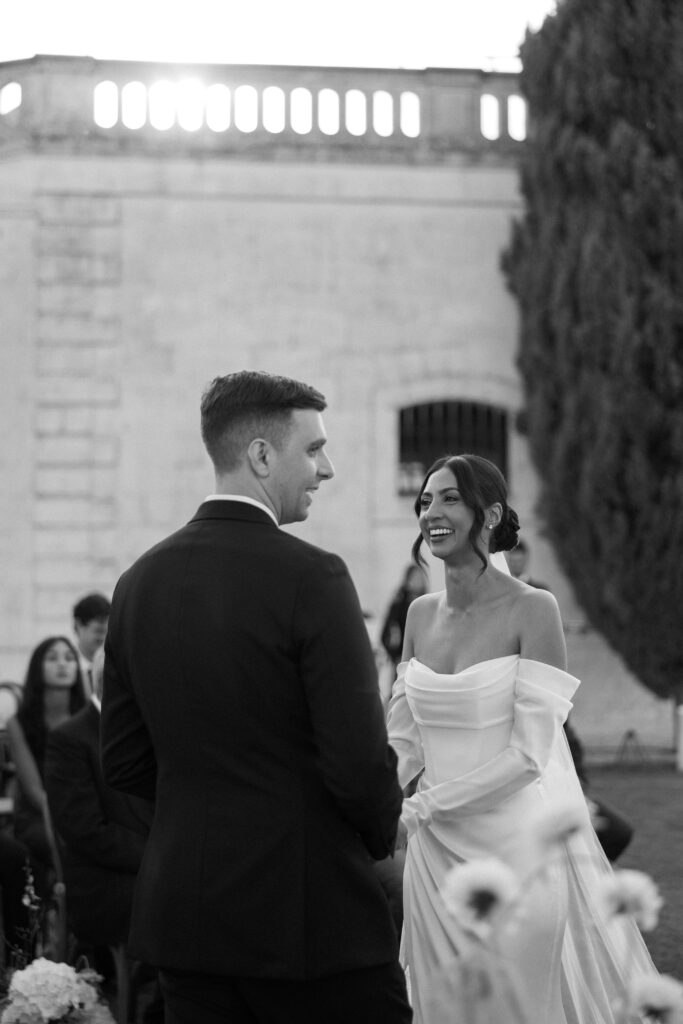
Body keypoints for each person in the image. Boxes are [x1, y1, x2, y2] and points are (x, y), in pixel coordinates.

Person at [101, 370, 411, 1024]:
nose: (325, 469)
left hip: (185, 918)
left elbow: (125, 764)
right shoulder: (314, 577)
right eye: (313, 449)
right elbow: (358, 765)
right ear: (261, 455)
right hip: (309, 920)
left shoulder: (136, 585)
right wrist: (385, 841)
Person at [387, 453, 655, 1024]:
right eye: (426, 499)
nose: (430, 511)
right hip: (432, 863)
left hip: (515, 856)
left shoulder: (535, 610)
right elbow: (401, 741)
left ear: (491, 515)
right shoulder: (416, 614)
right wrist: (378, 796)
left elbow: (530, 757)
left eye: (450, 498)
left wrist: (418, 808)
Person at [44, 647, 163, 1023]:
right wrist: (160, 857)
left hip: (156, 865)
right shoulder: (71, 738)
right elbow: (85, 830)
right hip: (107, 882)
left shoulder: (157, 729)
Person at [507, 539, 634, 862]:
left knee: (615, 833)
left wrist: (579, 788)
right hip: (522, 791)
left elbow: (566, 735)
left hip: (557, 778)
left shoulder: (540, 596)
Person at [7, 637, 86, 892]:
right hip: (40, 814)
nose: (63, 665)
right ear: (37, 668)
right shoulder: (19, 723)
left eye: (69, 658)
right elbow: (34, 792)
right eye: (52, 658)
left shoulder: (90, 717)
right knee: (69, 844)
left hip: (84, 809)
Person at [380, 565, 429, 674]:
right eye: (415, 577)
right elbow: (386, 632)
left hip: (423, 662)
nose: (419, 581)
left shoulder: (428, 603)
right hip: (403, 660)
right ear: (407, 580)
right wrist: (394, 654)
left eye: (420, 577)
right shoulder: (399, 604)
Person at [72, 593, 110, 697]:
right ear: (79, 625)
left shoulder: (114, 668)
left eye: (107, 632)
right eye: (98, 631)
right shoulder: (67, 670)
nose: (103, 638)